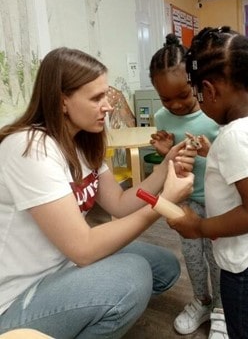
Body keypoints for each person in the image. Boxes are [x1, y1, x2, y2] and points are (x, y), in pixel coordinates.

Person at [0, 47, 195, 339]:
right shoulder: (30, 148)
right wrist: (163, 203)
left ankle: (80, 311)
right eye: (96, 98)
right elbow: (84, 248)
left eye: (106, 95)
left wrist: (165, 167)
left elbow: (118, 203)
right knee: (132, 277)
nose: (108, 106)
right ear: (62, 101)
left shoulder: (81, 142)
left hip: (63, 264)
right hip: (17, 297)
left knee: (163, 267)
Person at [168, 26, 248, 339]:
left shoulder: (235, 136)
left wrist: (198, 228)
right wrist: (215, 156)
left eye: (197, 94)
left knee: (245, 333)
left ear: (209, 90)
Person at [149, 34, 228, 338]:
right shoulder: (161, 117)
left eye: (183, 95)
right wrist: (165, 150)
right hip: (185, 201)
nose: (176, 105)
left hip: (218, 201)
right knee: (192, 256)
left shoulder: (213, 114)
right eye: (166, 99)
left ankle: (222, 308)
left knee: (217, 257)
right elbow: (173, 162)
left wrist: (213, 150)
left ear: (196, 83)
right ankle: (202, 301)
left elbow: (231, 158)